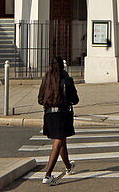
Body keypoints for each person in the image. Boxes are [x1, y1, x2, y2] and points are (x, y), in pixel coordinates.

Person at [37, 55, 79, 185]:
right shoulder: (67, 79)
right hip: (62, 113)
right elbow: (75, 99)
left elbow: (40, 99)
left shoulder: (46, 79)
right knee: (59, 141)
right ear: (62, 66)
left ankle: (68, 166)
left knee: (61, 140)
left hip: (49, 114)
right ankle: (48, 174)